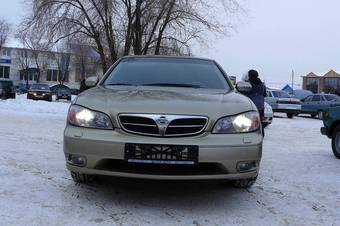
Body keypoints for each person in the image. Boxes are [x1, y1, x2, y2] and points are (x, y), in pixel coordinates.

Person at [244, 70, 266, 135]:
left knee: (249, 120)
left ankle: (250, 134)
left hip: (251, 104)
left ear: (249, 75)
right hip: (261, 105)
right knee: (260, 121)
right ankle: (261, 134)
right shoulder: (262, 84)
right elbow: (264, 94)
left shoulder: (248, 83)